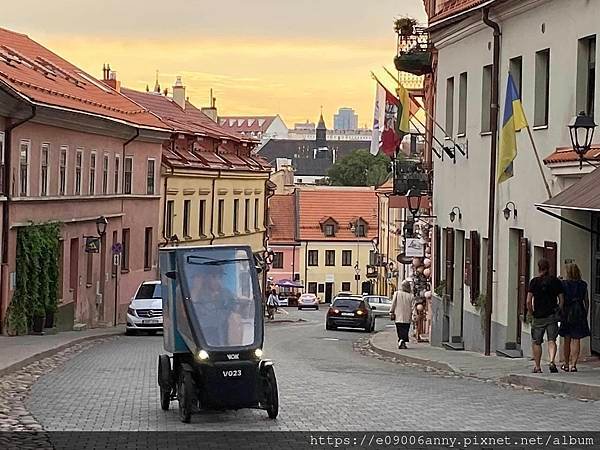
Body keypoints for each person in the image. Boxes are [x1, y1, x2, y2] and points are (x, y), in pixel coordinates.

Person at [526, 258, 564, 373]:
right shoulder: (556, 281)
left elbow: (528, 301)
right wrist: (558, 309)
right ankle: (552, 361)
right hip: (552, 315)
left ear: (539, 268)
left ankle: (537, 367)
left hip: (538, 316)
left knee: (537, 342)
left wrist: (531, 312)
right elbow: (561, 299)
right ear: (549, 268)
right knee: (552, 340)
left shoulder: (534, 282)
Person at [559, 263, 591, 372]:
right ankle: (574, 365)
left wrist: (561, 312)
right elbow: (586, 301)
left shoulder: (564, 284)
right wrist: (585, 312)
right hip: (579, 312)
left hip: (567, 312)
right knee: (576, 339)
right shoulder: (583, 284)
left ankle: (566, 363)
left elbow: (561, 300)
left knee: (567, 339)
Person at [390, 280, 414, 349]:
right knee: (405, 330)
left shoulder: (397, 293)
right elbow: (413, 306)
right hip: (407, 316)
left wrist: (391, 311)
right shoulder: (411, 296)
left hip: (398, 316)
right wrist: (413, 314)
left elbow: (393, 303)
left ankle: (401, 340)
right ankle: (402, 341)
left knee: (399, 329)